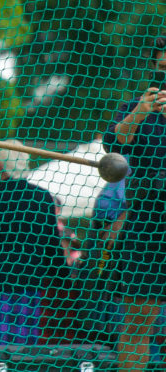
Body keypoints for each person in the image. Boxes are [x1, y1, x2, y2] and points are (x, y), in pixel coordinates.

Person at [0, 142, 67, 345]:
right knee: (22, 352)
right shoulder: (42, 199)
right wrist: (62, 278)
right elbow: (52, 245)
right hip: (27, 286)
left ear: (1, 166)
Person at [102, 34, 166, 372]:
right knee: (137, 324)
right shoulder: (138, 106)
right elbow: (112, 143)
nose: (164, 77)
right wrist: (140, 112)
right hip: (147, 223)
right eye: (160, 69)